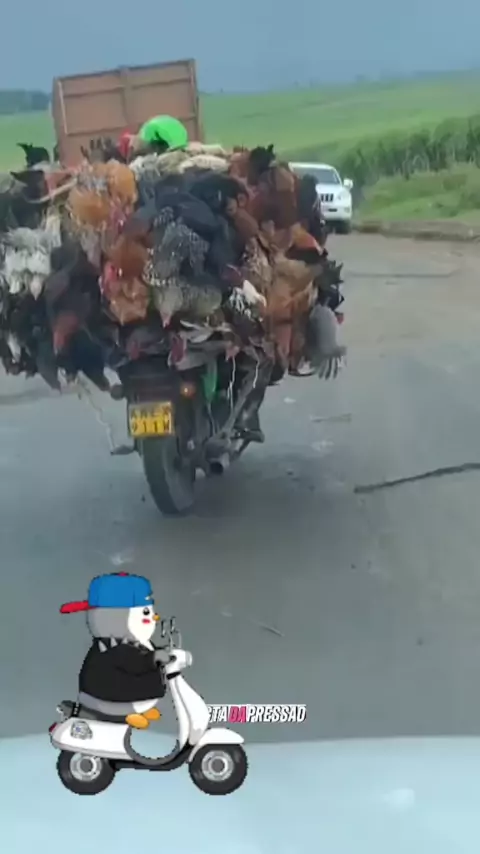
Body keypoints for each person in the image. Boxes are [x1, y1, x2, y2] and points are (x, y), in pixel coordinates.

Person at [60, 572, 170, 730]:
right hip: (108, 702)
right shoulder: (114, 648)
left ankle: (137, 709)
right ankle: (122, 715)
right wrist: (154, 658)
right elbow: (136, 662)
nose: (155, 617)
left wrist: (160, 654)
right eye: (146, 612)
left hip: (123, 698)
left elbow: (143, 656)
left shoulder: (135, 642)